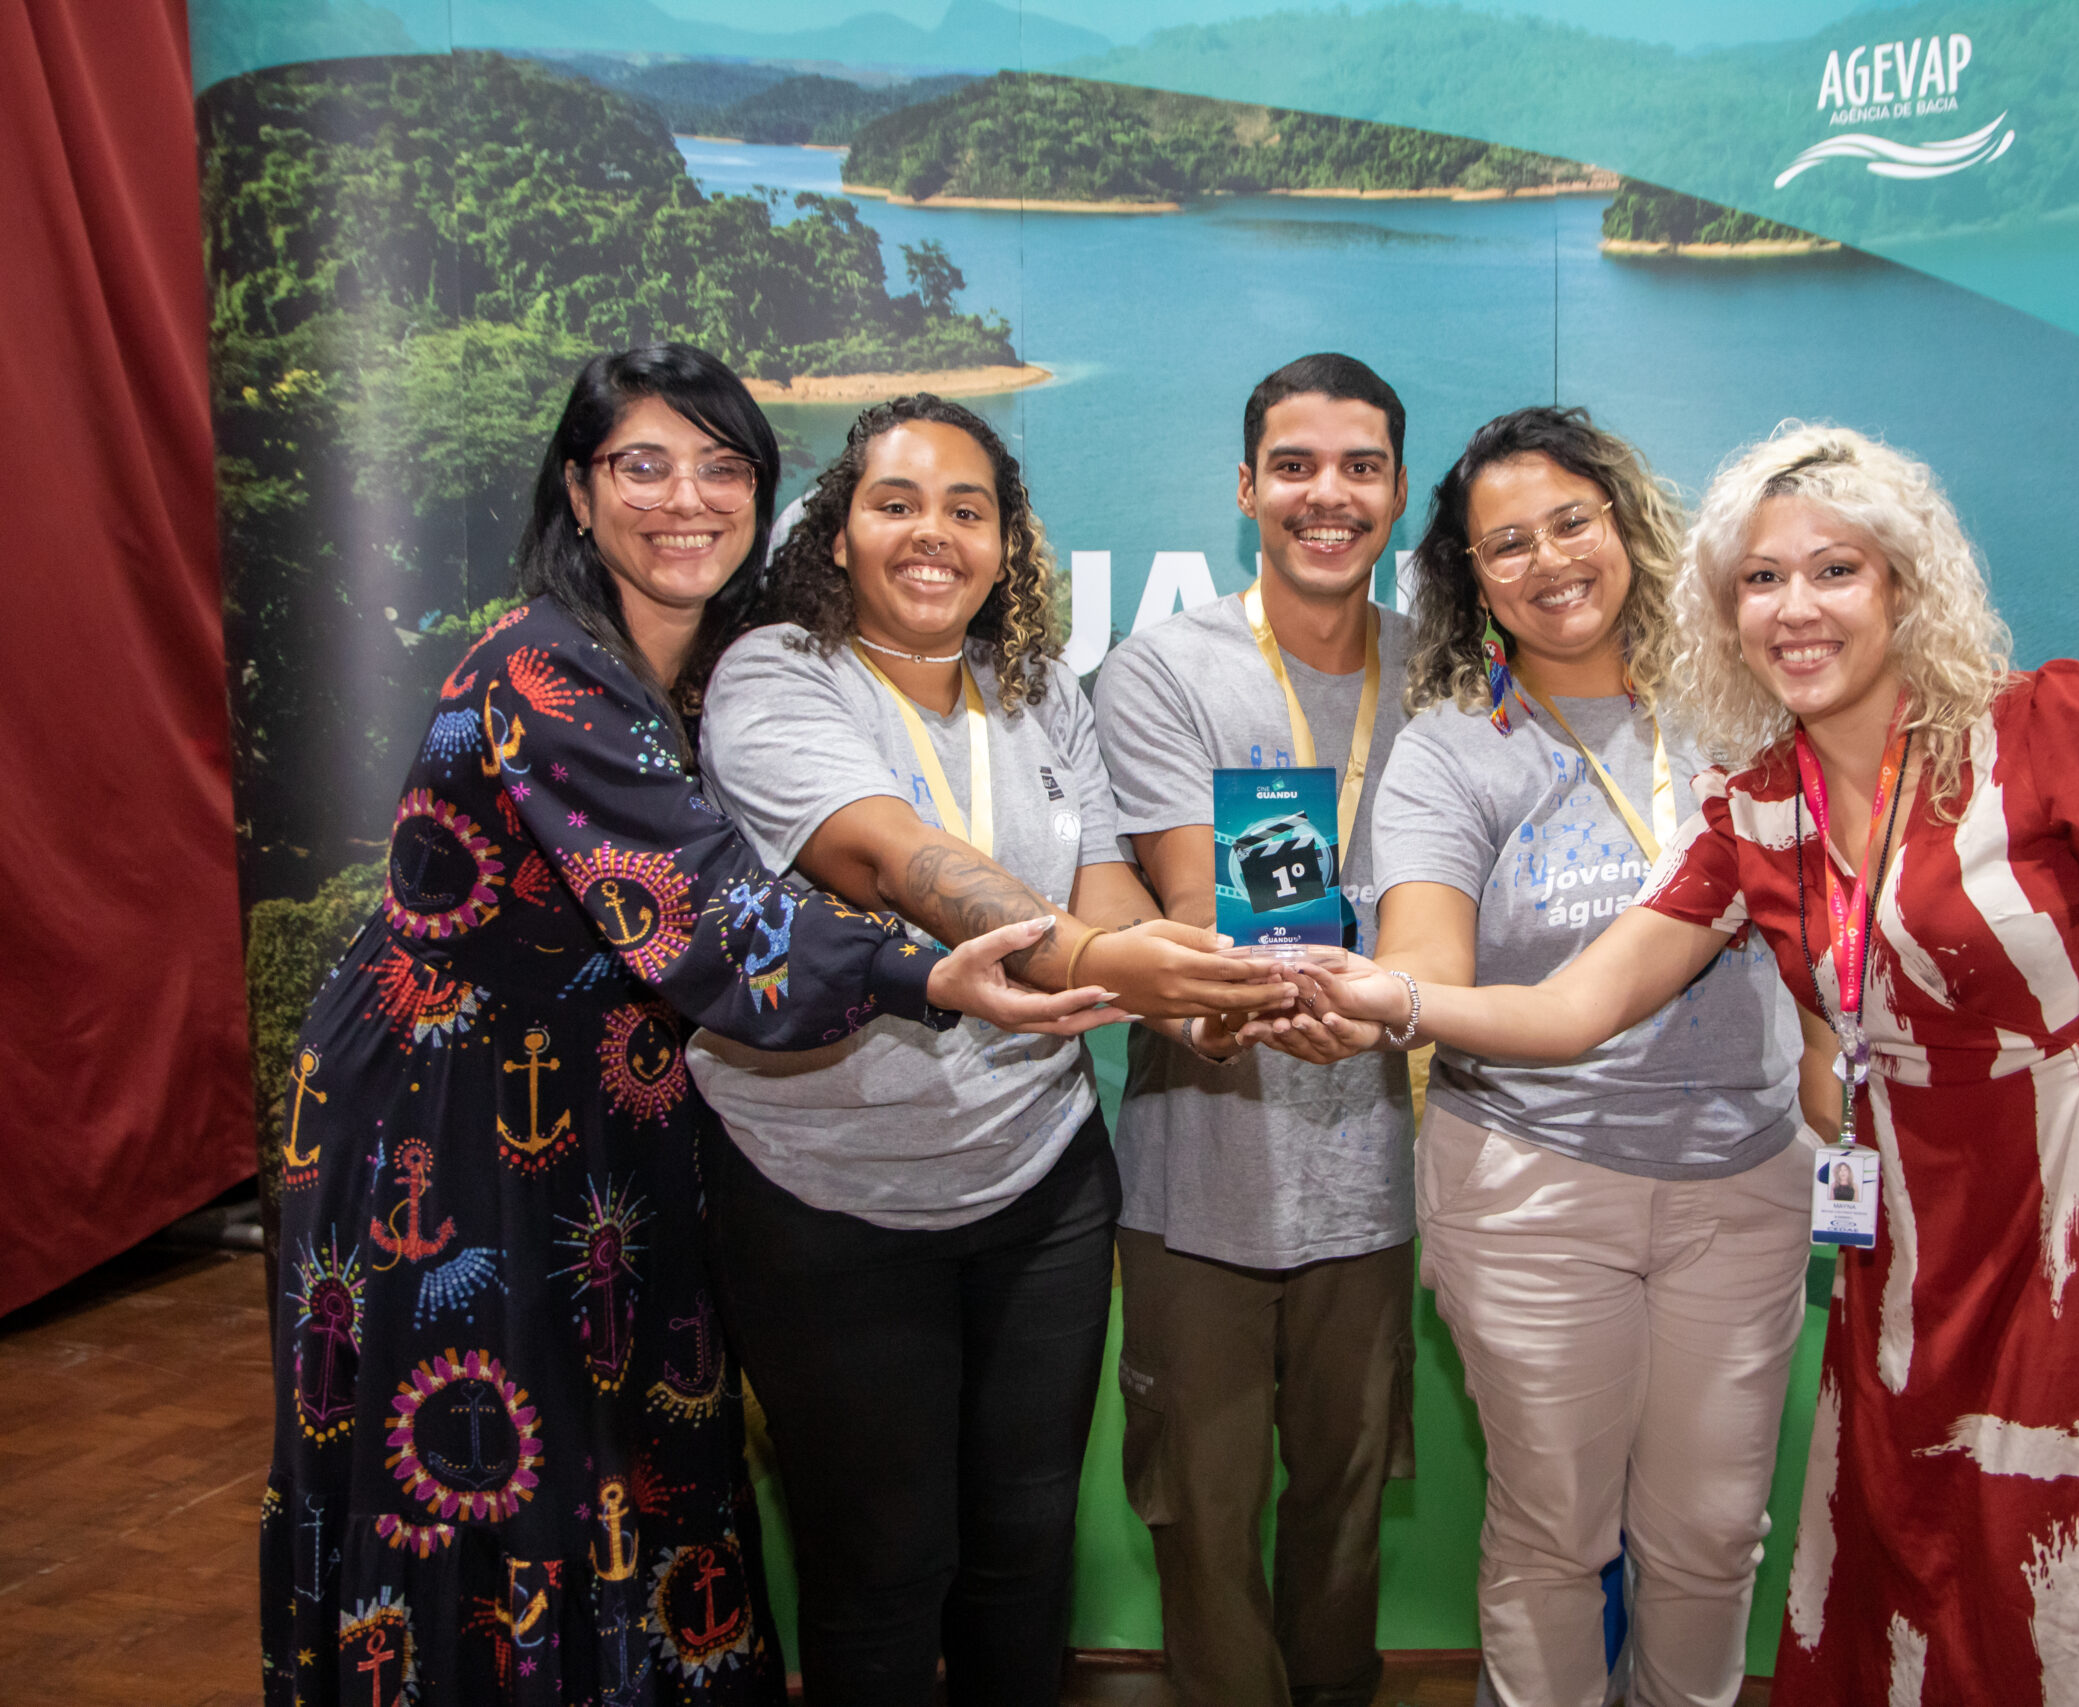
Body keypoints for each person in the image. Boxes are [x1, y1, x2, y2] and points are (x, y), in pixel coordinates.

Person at [1299, 422, 2079, 1703]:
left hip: (2078, 1215)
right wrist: (1393, 996)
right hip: (1909, 1245)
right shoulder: (1753, 811)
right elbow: (1579, 1008)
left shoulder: (2043, 726)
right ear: (1726, 608)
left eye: (1834, 571)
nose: (1795, 608)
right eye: (1761, 580)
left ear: (1903, 583)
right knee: (1928, 1550)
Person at [259, 345, 1114, 1707]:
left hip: (628, 1110)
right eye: (641, 467)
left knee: (633, 1473)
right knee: (495, 1471)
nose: (686, 501)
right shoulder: (541, 670)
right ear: (578, 492)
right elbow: (708, 914)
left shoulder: (720, 662)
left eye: (722, 468)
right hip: (456, 1121)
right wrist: (934, 975)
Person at [685, 394, 1286, 1707]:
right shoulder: (778, 672)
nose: (932, 533)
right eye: (896, 503)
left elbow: (1104, 880)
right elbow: (892, 855)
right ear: (837, 532)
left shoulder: (1039, 687)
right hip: (824, 1191)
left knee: (1024, 1550)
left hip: (1037, 1181)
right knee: (884, 1568)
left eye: (968, 509)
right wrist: (1095, 956)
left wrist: (1192, 990)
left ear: (1007, 544)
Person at [1330, 406, 1816, 1707]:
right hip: (1531, 1190)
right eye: (1507, 545)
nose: (1547, 560)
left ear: (1626, 525)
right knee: (1557, 1533)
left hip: (1745, 1180)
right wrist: (1377, 997)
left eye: (1570, 523)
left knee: (1713, 1535)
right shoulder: (1451, 747)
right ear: (1471, 578)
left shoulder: (1744, 705)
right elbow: (1425, 964)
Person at [1087, 353, 1420, 1707]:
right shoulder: (1164, 668)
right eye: (1294, 466)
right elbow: (1191, 904)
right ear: (1245, 489)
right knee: (1203, 1521)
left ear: (1397, 490)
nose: (1326, 495)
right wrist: (1227, 1007)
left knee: (1347, 1514)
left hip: (1379, 1181)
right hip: (1200, 1180)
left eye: (1359, 467)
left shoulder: (1452, 676)